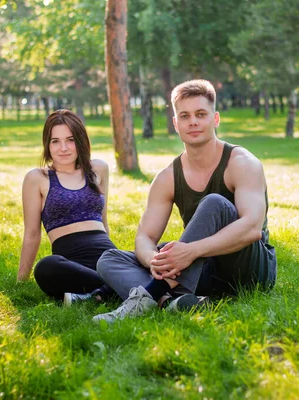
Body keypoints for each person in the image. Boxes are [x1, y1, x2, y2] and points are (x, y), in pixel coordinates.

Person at [92, 79, 277, 323]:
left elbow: (252, 228)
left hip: (249, 269)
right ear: (176, 123)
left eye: (201, 114)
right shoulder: (167, 177)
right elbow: (145, 237)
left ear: (216, 119)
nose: (193, 122)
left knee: (214, 203)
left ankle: (148, 297)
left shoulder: (242, 163)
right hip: (203, 270)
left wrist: (191, 251)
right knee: (111, 258)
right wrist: (154, 261)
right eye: (185, 116)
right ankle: (173, 302)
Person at [17, 109, 117, 305]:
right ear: (47, 144)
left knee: (160, 252)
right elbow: (32, 234)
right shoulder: (37, 178)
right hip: (71, 265)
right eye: (55, 141)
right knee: (46, 267)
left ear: (80, 141)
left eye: (70, 140)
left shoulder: (98, 169)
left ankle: (99, 293)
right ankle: (119, 288)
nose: (63, 148)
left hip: (106, 257)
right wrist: (21, 281)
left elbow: (103, 222)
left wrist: (118, 260)